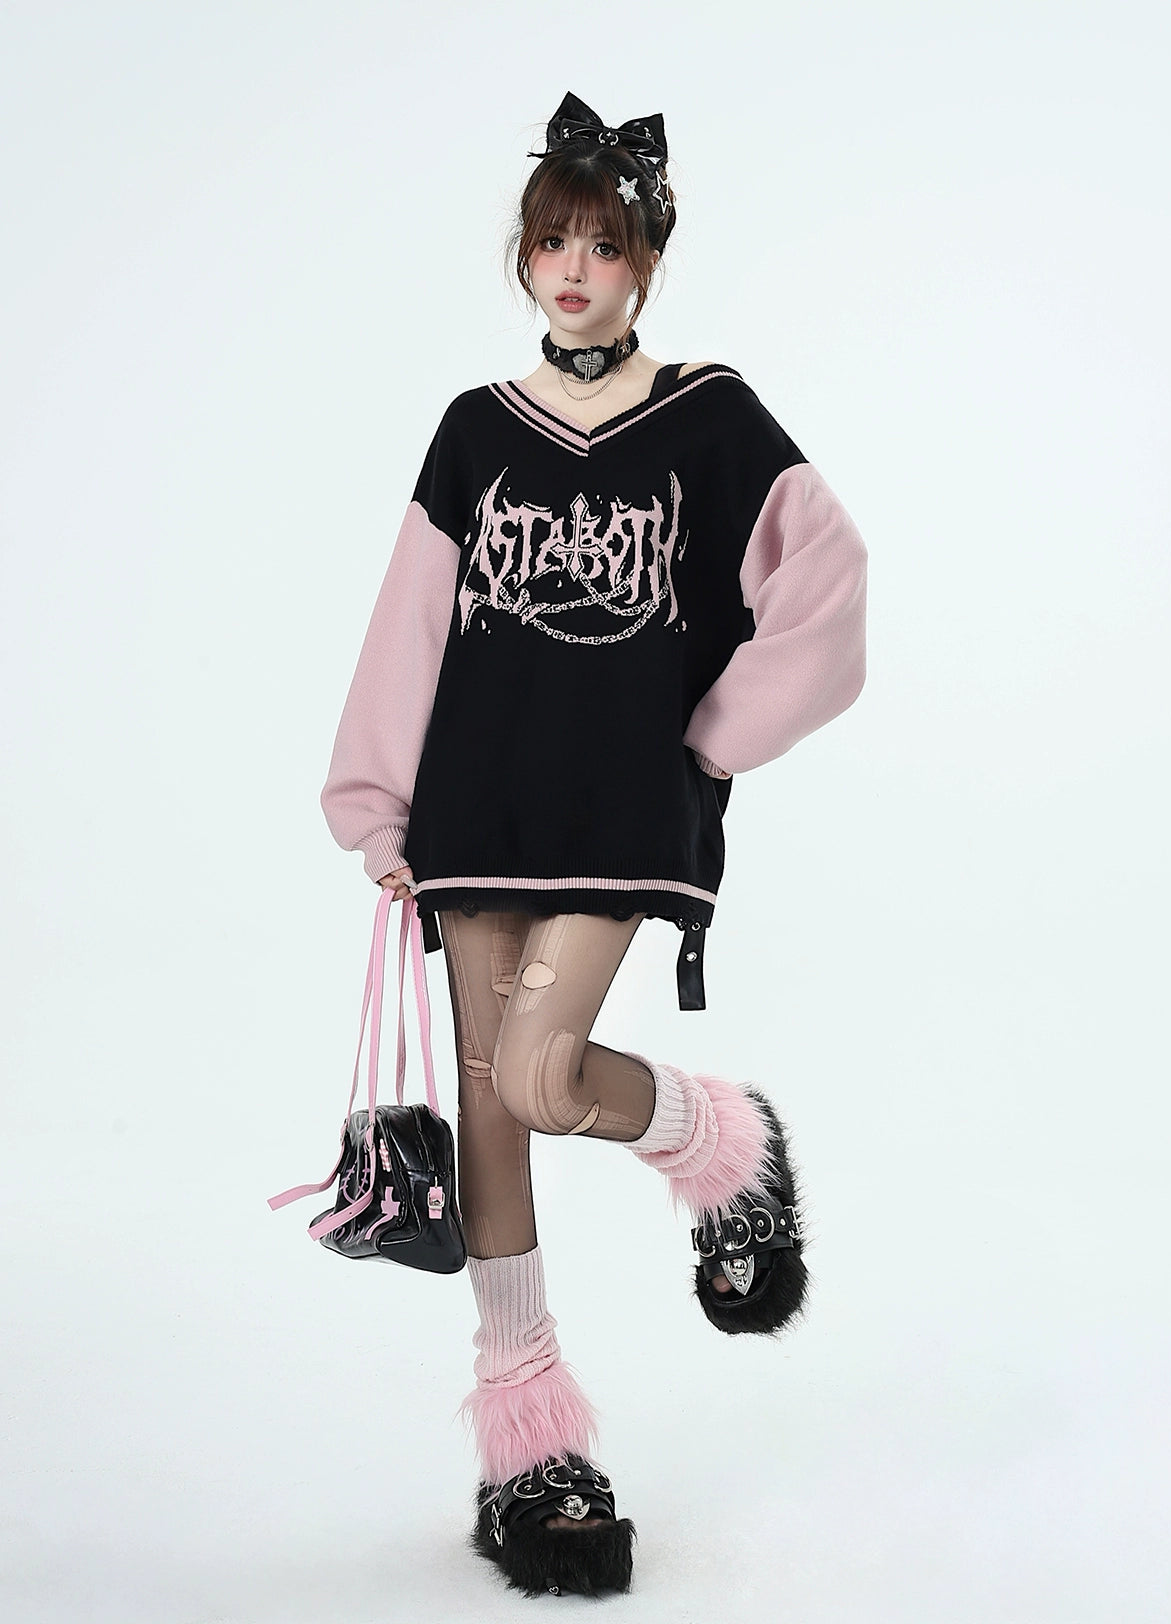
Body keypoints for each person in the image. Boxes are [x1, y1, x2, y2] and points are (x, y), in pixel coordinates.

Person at [318, 91, 868, 1599]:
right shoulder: (474, 430)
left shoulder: (710, 417)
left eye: (603, 244)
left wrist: (707, 738)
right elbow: (410, 623)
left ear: (646, 264)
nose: (572, 268)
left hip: (620, 817)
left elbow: (829, 583)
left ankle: (722, 1142)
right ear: (525, 257)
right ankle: (531, 1446)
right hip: (474, 808)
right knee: (491, 1114)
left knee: (545, 1076)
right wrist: (377, 807)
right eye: (551, 241)